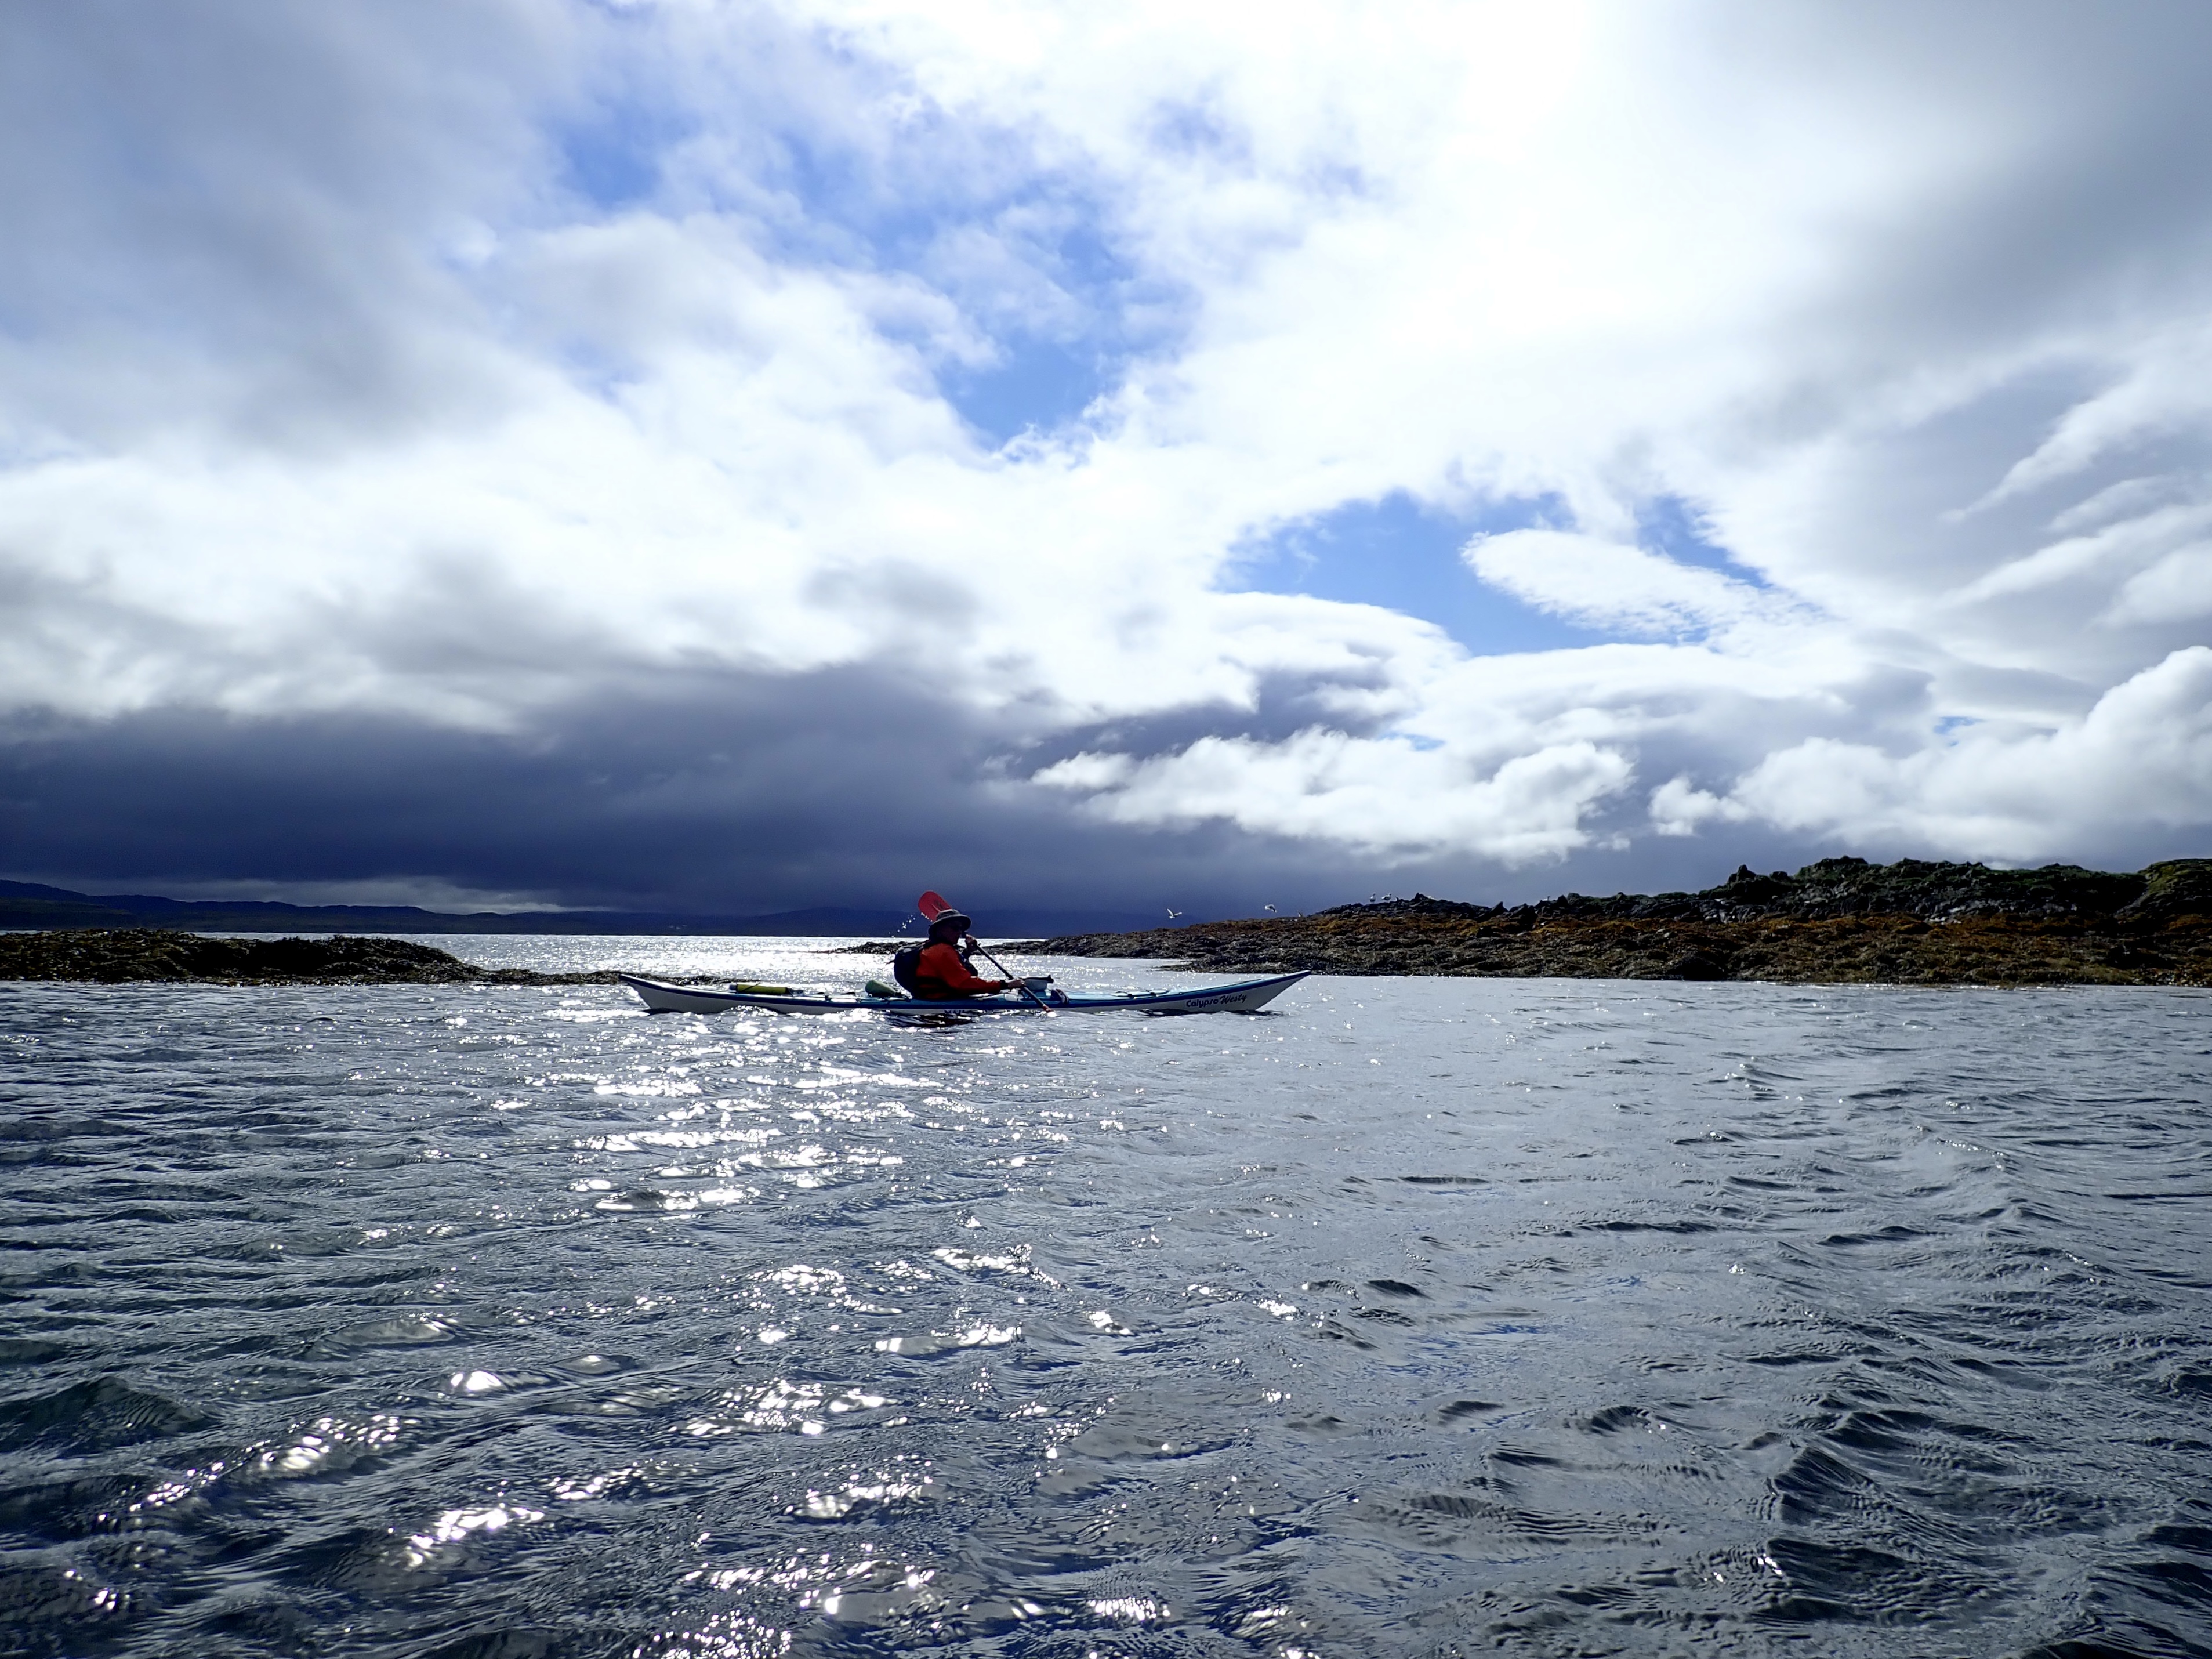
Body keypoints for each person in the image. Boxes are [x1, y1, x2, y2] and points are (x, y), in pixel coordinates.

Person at [911, 911, 1016, 999]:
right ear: (940, 929)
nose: (959, 933)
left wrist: (968, 952)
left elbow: (951, 970)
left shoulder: (932, 948)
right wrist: (1005, 985)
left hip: (932, 998)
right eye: (955, 928)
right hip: (940, 1001)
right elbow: (965, 983)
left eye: (961, 929)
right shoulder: (943, 951)